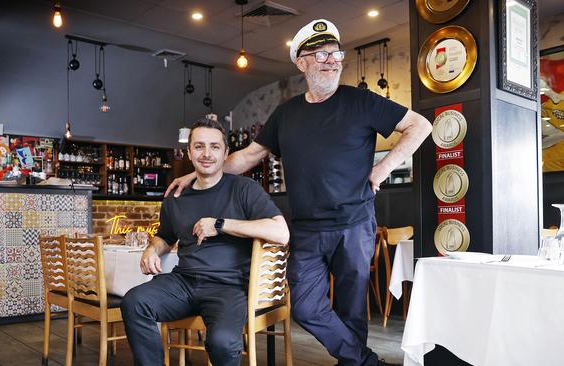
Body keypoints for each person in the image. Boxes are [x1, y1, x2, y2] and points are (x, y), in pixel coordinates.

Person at [165, 19, 432, 366]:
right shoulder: (286, 114)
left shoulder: (362, 102)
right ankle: (365, 361)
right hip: (306, 229)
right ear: (301, 61)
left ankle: (354, 362)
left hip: (354, 224)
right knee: (305, 307)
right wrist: (198, 172)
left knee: (351, 312)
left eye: (335, 53)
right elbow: (247, 157)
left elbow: (420, 125)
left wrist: (384, 167)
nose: (331, 60)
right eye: (321, 54)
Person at [121, 117, 289, 366]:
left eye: (214, 146)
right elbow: (166, 236)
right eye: (199, 146)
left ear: (226, 153)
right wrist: (151, 249)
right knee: (134, 302)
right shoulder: (176, 197)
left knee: (221, 342)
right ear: (189, 153)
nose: (207, 153)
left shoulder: (244, 189)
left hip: (229, 286)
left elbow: (281, 232)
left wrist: (221, 224)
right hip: (184, 282)